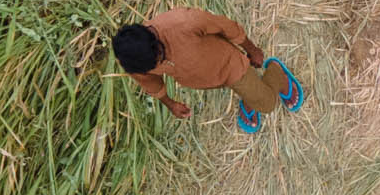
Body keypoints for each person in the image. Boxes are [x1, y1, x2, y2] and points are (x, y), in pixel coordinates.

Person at [112, 8, 303, 138]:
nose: (159, 65)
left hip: (231, 65)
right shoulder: (134, 60)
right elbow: (149, 82)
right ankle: (250, 95)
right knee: (247, 90)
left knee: (268, 104)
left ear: (153, 40)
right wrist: (170, 104)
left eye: (158, 58)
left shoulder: (183, 22)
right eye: (153, 66)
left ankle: (277, 73)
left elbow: (226, 27)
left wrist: (252, 50)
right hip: (208, 79)